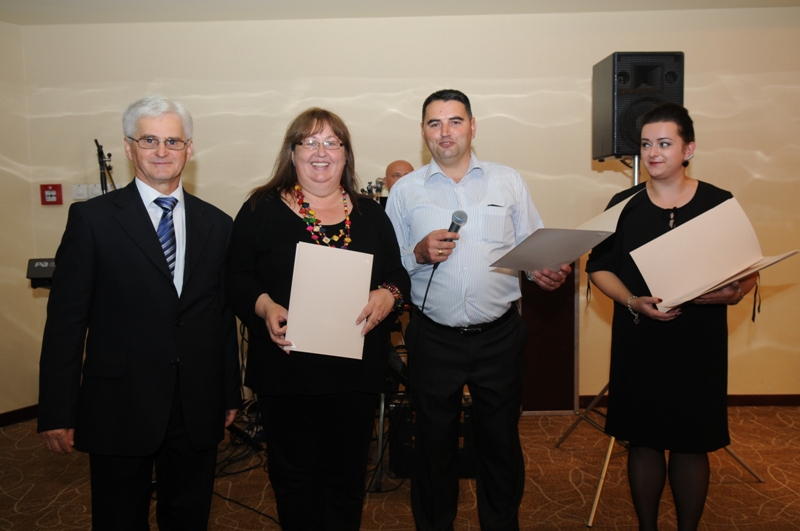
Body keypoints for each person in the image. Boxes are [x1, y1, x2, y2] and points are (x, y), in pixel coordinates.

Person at [37, 94, 241, 530]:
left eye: (173, 141)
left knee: (188, 518)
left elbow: (221, 318)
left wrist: (229, 394)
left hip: (195, 404)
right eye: (149, 140)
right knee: (119, 518)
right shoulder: (92, 220)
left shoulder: (218, 224)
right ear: (129, 148)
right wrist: (57, 410)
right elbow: (66, 324)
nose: (162, 151)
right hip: (119, 404)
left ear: (189, 149)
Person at [385, 89, 571, 531]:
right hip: (433, 336)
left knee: (501, 444)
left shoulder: (508, 181)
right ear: (423, 132)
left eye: (455, 121)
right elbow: (387, 267)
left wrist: (543, 273)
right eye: (434, 123)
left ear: (473, 126)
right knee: (433, 447)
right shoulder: (406, 191)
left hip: (499, 337)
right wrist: (418, 252)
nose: (445, 132)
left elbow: (532, 250)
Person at [225, 107, 410, 530]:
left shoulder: (371, 214)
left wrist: (388, 295)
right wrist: (265, 305)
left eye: (331, 142)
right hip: (287, 373)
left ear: (345, 155)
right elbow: (235, 277)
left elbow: (398, 277)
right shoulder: (259, 209)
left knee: (346, 479)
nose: (321, 152)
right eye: (309, 142)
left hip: (355, 376)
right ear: (292, 153)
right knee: (294, 478)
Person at [585, 102, 758, 531]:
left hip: (698, 341)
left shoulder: (718, 202)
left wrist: (735, 292)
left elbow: (749, 269)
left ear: (688, 149)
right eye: (646, 144)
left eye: (664, 143)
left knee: (691, 443)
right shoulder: (623, 204)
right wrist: (631, 301)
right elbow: (599, 267)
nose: (653, 153)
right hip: (639, 337)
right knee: (642, 442)